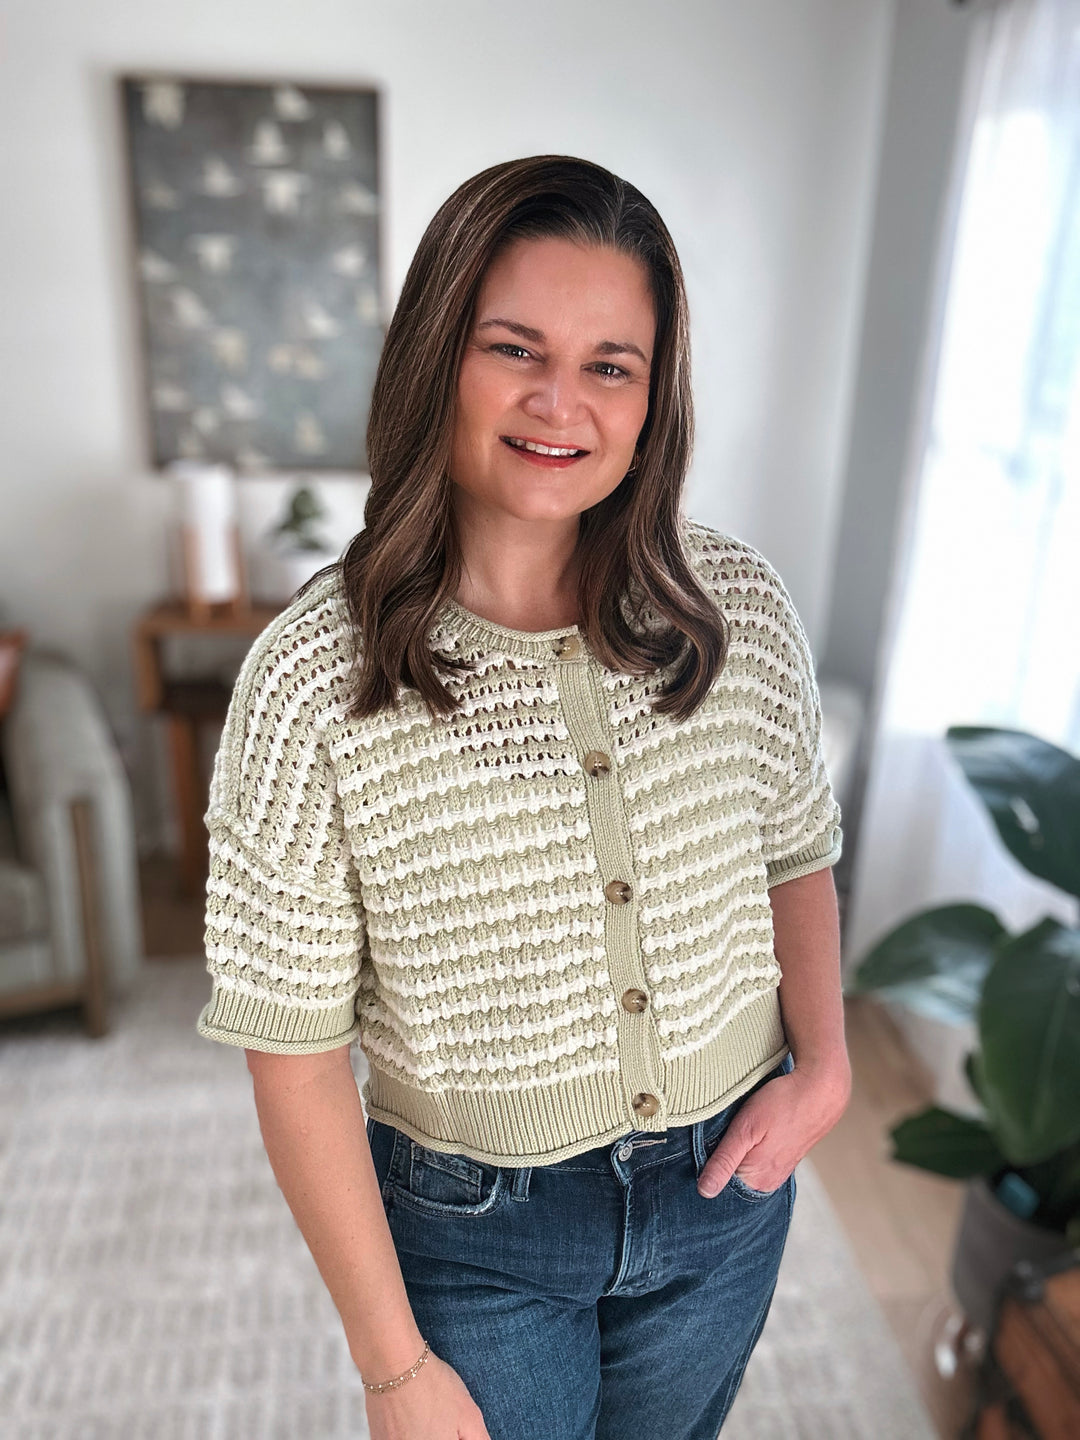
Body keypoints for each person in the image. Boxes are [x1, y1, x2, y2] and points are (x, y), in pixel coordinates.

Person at [196, 154, 852, 1440]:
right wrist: (392, 1367)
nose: (565, 401)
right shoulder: (312, 681)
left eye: (613, 362)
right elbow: (293, 1045)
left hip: (726, 1200)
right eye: (516, 348)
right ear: (439, 355)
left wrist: (825, 1066)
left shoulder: (737, 613)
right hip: (473, 1237)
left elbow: (795, 849)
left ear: (655, 394)